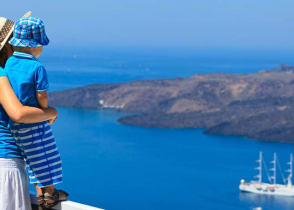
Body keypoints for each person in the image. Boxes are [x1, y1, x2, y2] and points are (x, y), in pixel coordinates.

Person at [4, 16, 68, 208]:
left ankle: (42, 194)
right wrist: (48, 112)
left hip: (15, 128)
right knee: (46, 155)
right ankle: (49, 195)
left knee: (32, 157)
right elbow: (42, 97)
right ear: (36, 45)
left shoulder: (8, 65)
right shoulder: (37, 67)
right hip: (33, 121)